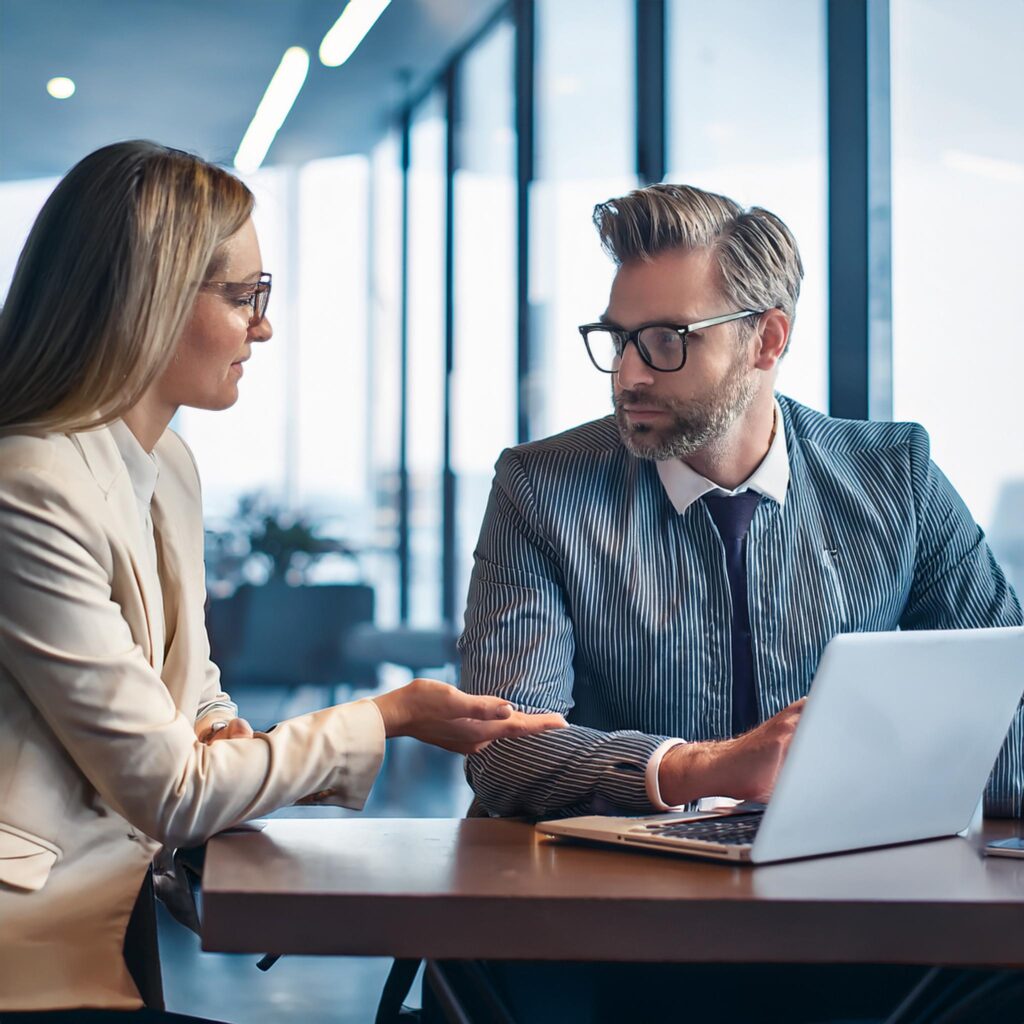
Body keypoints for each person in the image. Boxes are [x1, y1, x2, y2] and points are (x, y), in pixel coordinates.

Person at [0, 140, 565, 1021]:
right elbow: (170, 787)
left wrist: (223, 729)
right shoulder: (28, 487)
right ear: (146, 298)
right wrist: (391, 715)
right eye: (244, 297)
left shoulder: (167, 466)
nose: (262, 328)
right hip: (29, 956)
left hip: (109, 928)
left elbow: (189, 697)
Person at [455, 183, 1024, 1022]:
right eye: (617, 341)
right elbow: (504, 747)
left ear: (768, 338)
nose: (629, 373)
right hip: (614, 929)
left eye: (665, 341)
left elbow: (1006, 702)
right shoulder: (542, 489)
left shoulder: (896, 478)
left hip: (861, 913)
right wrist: (704, 768)